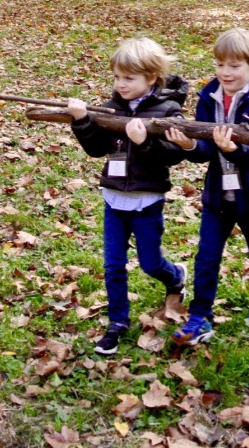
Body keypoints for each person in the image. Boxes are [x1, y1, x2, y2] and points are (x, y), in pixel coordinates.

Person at [68, 37, 191, 356]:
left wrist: (145, 142)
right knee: (113, 266)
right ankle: (117, 322)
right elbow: (96, 149)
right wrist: (81, 121)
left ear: (151, 78)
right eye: (117, 77)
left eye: (129, 78)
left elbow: (174, 156)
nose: (121, 84)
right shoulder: (111, 108)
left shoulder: (168, 109)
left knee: (151, 263)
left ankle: (175, 275)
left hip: (147, 201)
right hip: (114, 199)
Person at [166, 28, 249, 345]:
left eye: (234, 66)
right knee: (206, 256)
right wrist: (189, 144)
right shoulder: (208, 96)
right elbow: (204, 149)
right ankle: (201, 316)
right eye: (220, 64)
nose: (225, 72)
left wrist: (235, 150)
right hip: (218, 194)